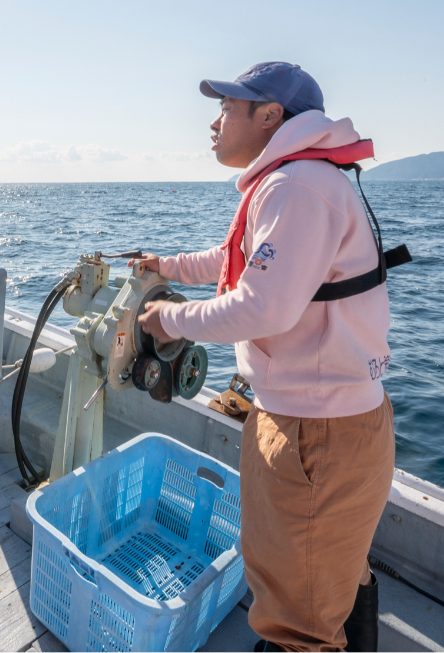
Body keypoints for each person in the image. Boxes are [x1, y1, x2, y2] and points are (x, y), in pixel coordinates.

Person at [136, 62, 395, 653]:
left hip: (314, 435)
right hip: (333, 422)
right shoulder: (301, 180)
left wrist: (166, 318)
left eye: (228, 107)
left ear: (270, 115)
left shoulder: (296, 187)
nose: (215, 122)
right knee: (334, 577)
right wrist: (168, 266)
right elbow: (239, 261)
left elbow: (262, 307)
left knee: (296, 622)